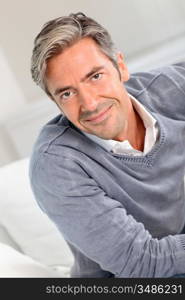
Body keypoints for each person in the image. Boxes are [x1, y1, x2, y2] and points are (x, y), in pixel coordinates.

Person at [29, 12, 185, 278]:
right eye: (67, 93)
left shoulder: (172, 88)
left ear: (120, 67)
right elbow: (143, 262)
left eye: (95, 76)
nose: (89, 104)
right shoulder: (57, 164)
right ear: (55, 102)